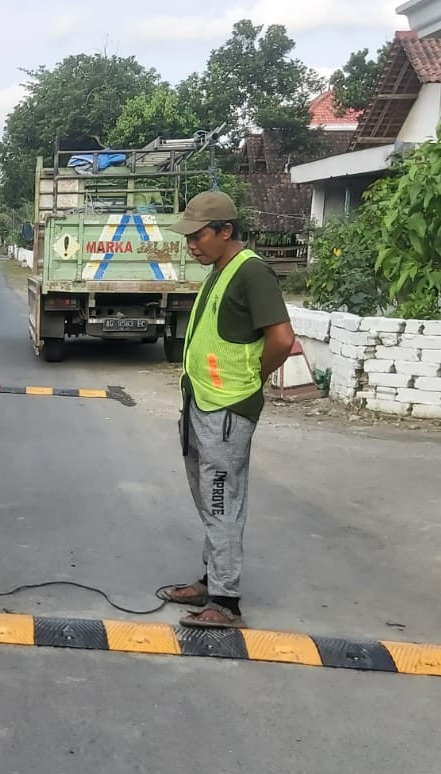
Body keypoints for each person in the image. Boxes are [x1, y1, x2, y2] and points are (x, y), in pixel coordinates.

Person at [154, 191, 295, 629]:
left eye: (199, 236)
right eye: (188, 237)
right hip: (204, 403)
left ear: (226, 231)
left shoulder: (252, 272)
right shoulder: (221, 270)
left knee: (221, 500)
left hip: (227, 409)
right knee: (208, 496)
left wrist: (253, 379)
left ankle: (226, 602)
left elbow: (282, 339)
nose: (191, 245)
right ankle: (211, 579)